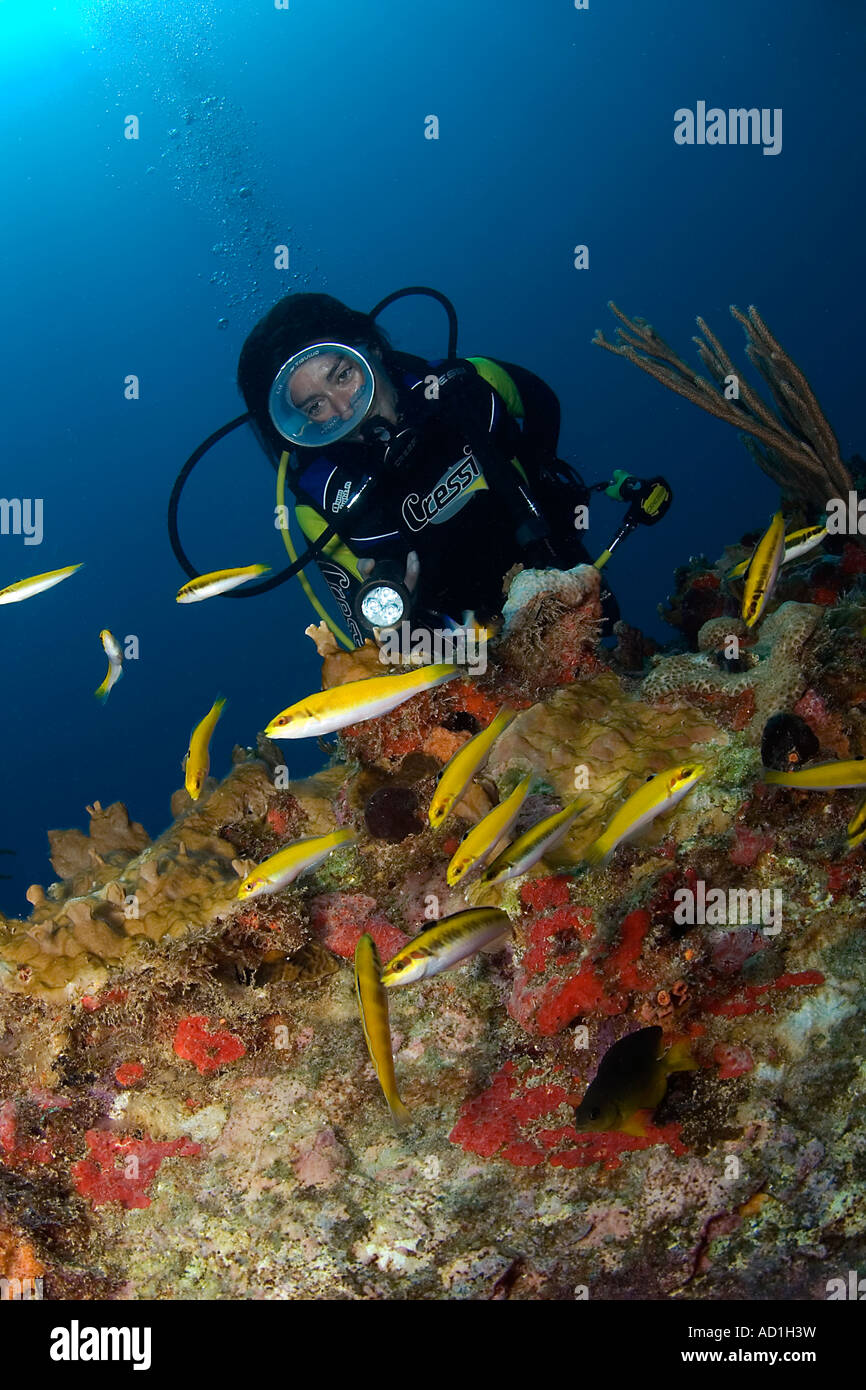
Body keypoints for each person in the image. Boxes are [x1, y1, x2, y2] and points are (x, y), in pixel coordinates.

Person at [234, 291, 662, 647]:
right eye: (315, 406)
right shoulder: (322, 505)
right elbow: (367, 630)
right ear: (300, 426)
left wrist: (536, 474)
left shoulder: (467, 386)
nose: (345, 410)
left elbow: (541, 401)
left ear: (372, 350)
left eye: (343, 375)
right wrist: (393, 628)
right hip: (463, 654)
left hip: (561, 576)